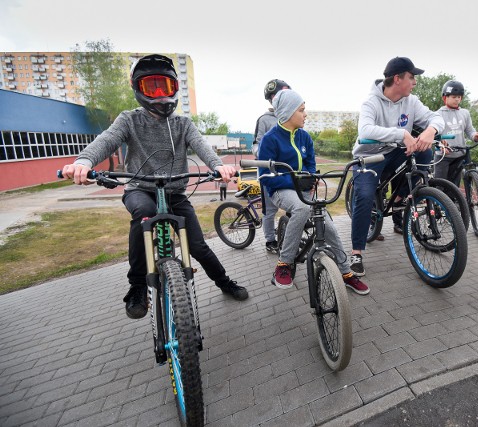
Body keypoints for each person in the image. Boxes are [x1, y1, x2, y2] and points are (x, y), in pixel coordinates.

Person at [61, 54, 249, 320]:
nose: (160, 94)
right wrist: (84, 161)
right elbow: (107, 139)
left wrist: (219, 166)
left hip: (175, 192)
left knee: (197, 245)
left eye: (166, 86)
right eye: (152, 87)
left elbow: (203, 147)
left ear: (175, 88)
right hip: (140, 189)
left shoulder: (183, 124)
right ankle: (138, 286)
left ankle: (224, 282)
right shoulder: (129, 120)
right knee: (144, 214)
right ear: (139, 89)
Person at [258, 89, 370, 295]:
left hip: (303, 190)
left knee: (329, 226)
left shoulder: (305, 138)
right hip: (281, 190)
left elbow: (310, 164)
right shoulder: (270, 139)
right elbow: (265, 176)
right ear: (288, 112)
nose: (305, 114)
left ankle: (346, 272)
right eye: (302, 110)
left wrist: (309, 178)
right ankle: (284, 263)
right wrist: (296, 182)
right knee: (301, 207)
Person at [350, 57, 445, 276]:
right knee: (364, 197)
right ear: (397, 79)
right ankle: (357, 252)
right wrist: (402, 134)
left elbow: (436, 117)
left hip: (394, 154)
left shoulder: (411, 101)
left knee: (424, 150)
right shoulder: (370, 102)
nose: (415, 82)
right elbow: (365, 131)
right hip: (370, 157)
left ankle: (404, 197)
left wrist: (431, 131)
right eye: (411, 77)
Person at [252, 79, 291, 254]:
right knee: (270, 209)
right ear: (271, 99)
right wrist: (264, 156)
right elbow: (256, 145)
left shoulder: (292, 116)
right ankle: (270, 240)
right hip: (271, 172)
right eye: (278, 94)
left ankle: (290, 234)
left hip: (290, 172)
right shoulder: (265, 120)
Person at [435, 80, 478, 186]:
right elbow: (435, 134)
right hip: (443, 156)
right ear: (445, 97)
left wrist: (476, 136)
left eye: (459, 97)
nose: (457, 99)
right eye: (453, 97)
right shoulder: (438, 114)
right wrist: (440, 143)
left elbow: (470, 131)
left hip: (459, 155)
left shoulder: (465, 113)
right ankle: (436, 202)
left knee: (454, 188)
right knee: (440, 187)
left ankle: (453, 202)